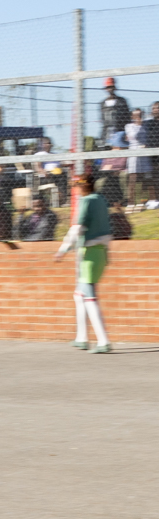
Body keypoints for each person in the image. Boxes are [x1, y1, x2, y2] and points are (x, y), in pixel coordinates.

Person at [55, 172, 112, 354]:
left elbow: (77, 229)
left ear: (82, 186)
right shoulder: (101, 199)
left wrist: (63, 249)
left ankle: (103, 341)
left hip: (89, 254)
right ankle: (82, 338)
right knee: (79, 295)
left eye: (77, 185)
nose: (76, 189)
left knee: (89, 297)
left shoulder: (86, 201)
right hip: (100, 253)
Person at [126, 108, 155, 206]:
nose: (139, 117)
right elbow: (134, 136)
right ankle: (131, 201)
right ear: (132, 117)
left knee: (148, 177)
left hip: (144, 152)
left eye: (140, 115)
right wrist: (138, 124)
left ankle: (152, 200)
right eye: (136, 115)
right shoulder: (129, 126)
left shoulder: (146, 124)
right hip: (134, 153)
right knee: (133, 178)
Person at [100, 78, 132, 144]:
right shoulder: (103, 103)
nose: (110, 89)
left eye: (111, 87)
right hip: (107, 134)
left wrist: (127, 133)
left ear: (114, 87)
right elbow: (103, 121)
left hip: (120, 132)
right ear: (105, 89)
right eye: (108, 87)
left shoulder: (122, 101)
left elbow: (127, 118)